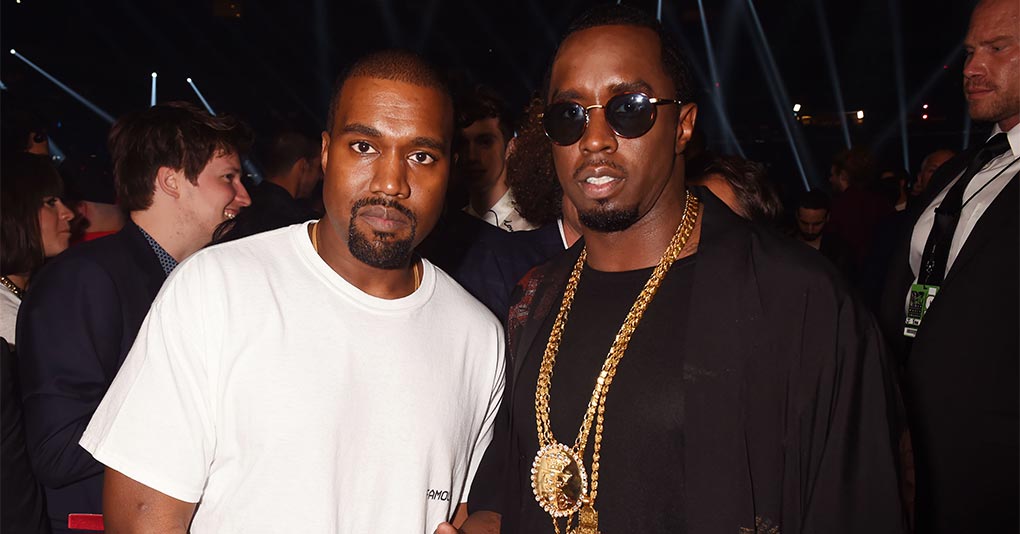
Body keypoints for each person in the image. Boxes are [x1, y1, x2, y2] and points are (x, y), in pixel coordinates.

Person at [448, 6, 904, 534]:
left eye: (629, 108)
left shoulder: (800, 302)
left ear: (683, 125)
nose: (594, 139)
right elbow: (509, 478)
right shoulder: (534, 297)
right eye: (569, 115)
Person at [80, 51, 504, 534]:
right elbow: (143, 516)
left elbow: (462, 505)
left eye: (421, 156)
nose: (391, 183)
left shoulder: (479, 336)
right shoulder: (217, 288)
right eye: (365, 147)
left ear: (449, 171)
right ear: (325, 154)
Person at [16, 101, 252, 534]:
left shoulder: (205, 281)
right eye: (228, 178)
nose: (244, 196)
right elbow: (56, 451)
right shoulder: (84, 278)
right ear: (171, 181)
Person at [879, 0, 1019, 530]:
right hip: (913, 455)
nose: (970, 69)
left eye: (997, 48)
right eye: (968, 52)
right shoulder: (960, 169)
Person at [0, 153, 75, 346]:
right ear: (13, 212)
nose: (68, 214)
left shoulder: (30, 289)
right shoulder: (5, 317)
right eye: (50, 203)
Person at [455, 85, 536, 231]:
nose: (471, 156)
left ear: (511, 147)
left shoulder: (533, 228)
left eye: (485, 142)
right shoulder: (449, 230)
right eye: (462, 144)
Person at [216, 129, 321, 241]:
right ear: (303, 166)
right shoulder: (297, 224)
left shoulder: (248, 203)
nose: (320, 177)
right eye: (318, 168)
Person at [794, 190, 855, 281]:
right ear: (796, 216)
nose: (810, 230)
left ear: (827, 218)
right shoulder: (784, 243)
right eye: (804, 223)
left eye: (817, 224)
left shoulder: (840, 251)